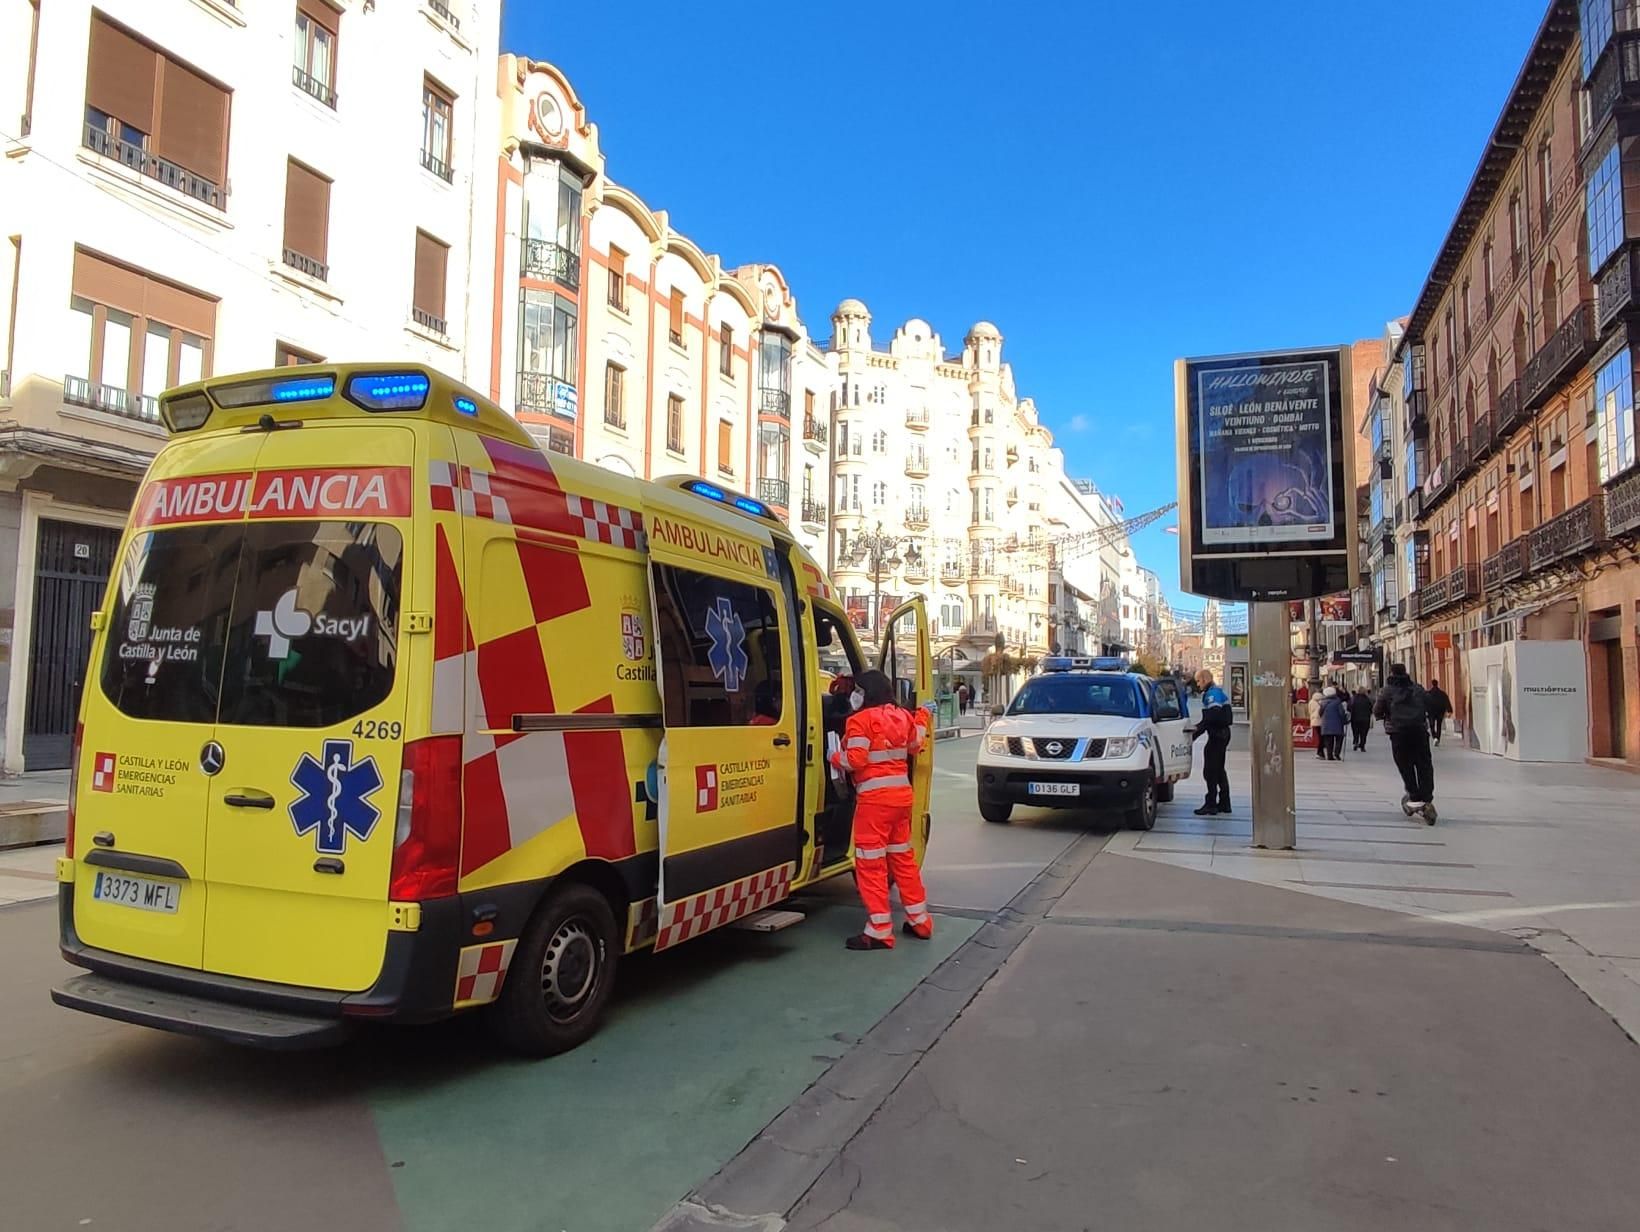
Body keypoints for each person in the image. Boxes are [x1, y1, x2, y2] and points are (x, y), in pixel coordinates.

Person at [829, 670, 934, 950]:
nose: (855, 695)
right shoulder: (902, 716)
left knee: (871, 864)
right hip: (902, 799)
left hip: (874, 802)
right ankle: (920, 921)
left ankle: (878, 929)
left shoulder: (860, 720)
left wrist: (833, 756)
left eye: (858, 690)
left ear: (867, 693)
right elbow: (916, 744)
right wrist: (923, 715)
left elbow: (855, 760)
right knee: (902, 860)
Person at [1375, 663, 1436, 823]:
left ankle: (1414, 795)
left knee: (1405, 764)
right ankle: (1427, 796)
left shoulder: (1387, 691)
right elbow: (1430, 704)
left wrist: (1385, 715)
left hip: (1398, 733)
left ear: (1391, 673)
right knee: (1424, 764)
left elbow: (1377, 711)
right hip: (1419, 731)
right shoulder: (1417, 688)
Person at [1190, 668, 1233, 815]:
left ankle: (1211, 804)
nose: (1197, 684)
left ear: (1204, 679)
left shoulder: (1211, 695)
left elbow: (1211, 717)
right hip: (1223, 734)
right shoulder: (1217, 692)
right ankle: (1225, 803)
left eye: (1198, 681)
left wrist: (1195, 732)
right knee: (1219, 769)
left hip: (1217, 735)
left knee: (1210, 770)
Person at [1320, 686, 1347, 761]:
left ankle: (1329, 755)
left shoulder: (1323, 702)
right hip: (1337, 724)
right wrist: (1345, 720)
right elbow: (1341, 713)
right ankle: (1337, 753)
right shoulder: (1338, 702)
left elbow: (1320, 713)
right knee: (1339, 739)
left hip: (1326, 724)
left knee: (1328, 740)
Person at [1426, 678, 1453, 746]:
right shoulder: (1442, 693)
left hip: (1431, 712)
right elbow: (1447, 701)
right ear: (1437, 684)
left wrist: (1425, 711)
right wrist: (1449, 710)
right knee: (1439, 725)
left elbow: (1425, 702)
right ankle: (1437, 738)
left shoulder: (1428, 693)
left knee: (1431, 725)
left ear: (1432, 684)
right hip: (1440, 711)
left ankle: (1434, 737)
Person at [1349, 685, 1375, 751]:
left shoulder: (1353, 699)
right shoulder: (1367, 699)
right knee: (1364, 733)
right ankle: (1362, 745)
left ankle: (1356, 742)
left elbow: (1349, 707)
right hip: (1365, 719)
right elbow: (1371, 709)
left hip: (1355, 719)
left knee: (1355, 732)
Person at [1307, 687, 1324, 758]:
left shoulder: (1311, 702)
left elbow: (1309, 711)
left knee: (1320, 737)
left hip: (1313, 721)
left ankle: (1321, 752)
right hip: (1320, 721)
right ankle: (1319, 752)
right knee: (1322, 738)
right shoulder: (1321, 702)